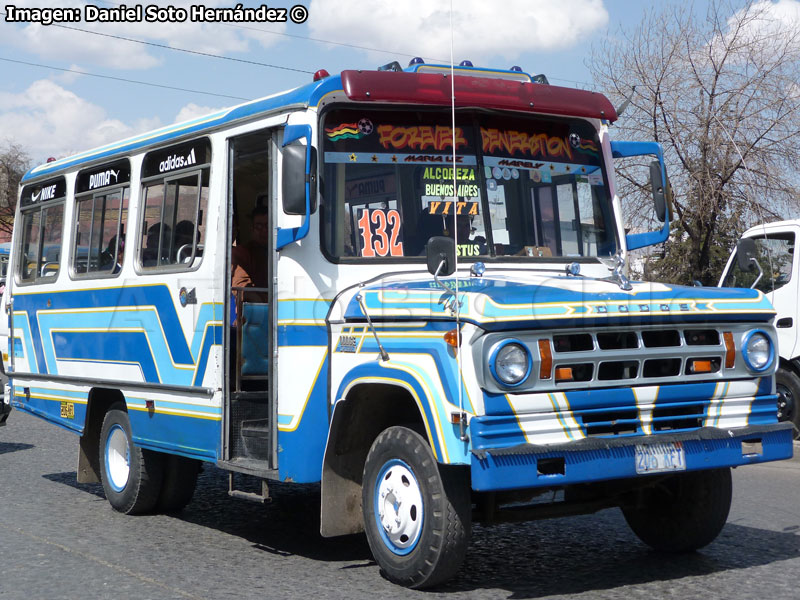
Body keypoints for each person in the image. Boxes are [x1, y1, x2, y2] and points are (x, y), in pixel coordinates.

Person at [232, 205, 269, 297]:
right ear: (252, 229)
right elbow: (242, 287)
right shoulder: (242, 253)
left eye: (268, 225)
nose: (264, 230)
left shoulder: (286, 252)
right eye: (259, 226)